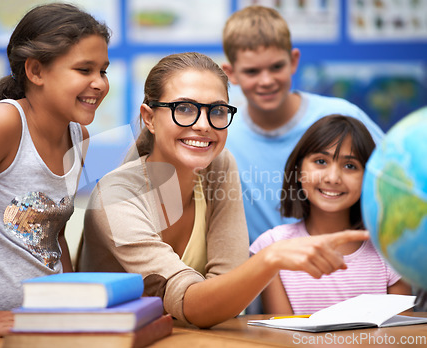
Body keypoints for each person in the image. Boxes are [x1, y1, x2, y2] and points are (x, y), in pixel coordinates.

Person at [78, 52, 369, 328]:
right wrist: (271, 258)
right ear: (149, 118)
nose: (204, 125)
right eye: (185, 109)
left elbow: (225, 290)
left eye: (216, 111)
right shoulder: (115, 197)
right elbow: (194, 304)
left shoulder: (218, 163)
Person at [0, 3, 110, 340]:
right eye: (84, 70)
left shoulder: (79, 138)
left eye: (103, 71)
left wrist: (69, 303)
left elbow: (51, 237)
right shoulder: (3, 123)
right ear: (36, 71)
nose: (98, 83)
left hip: (38, 328)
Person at [221, 6, 385, 245]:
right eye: (252, 71)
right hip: (263, 275)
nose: (266, 81)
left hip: (343, 266)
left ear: (293, 61)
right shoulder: (222, 133)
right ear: (231, 73)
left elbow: (394, 179)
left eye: (276, 67)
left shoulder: (343, 116)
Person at [250, 115, 411, 315]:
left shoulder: (391, 250)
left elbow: (401, 338)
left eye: (350, 166)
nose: (333, 178)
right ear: (299, 171)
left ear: (368, 177)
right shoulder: (272, 247)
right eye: (320, 161)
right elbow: (282, 338)